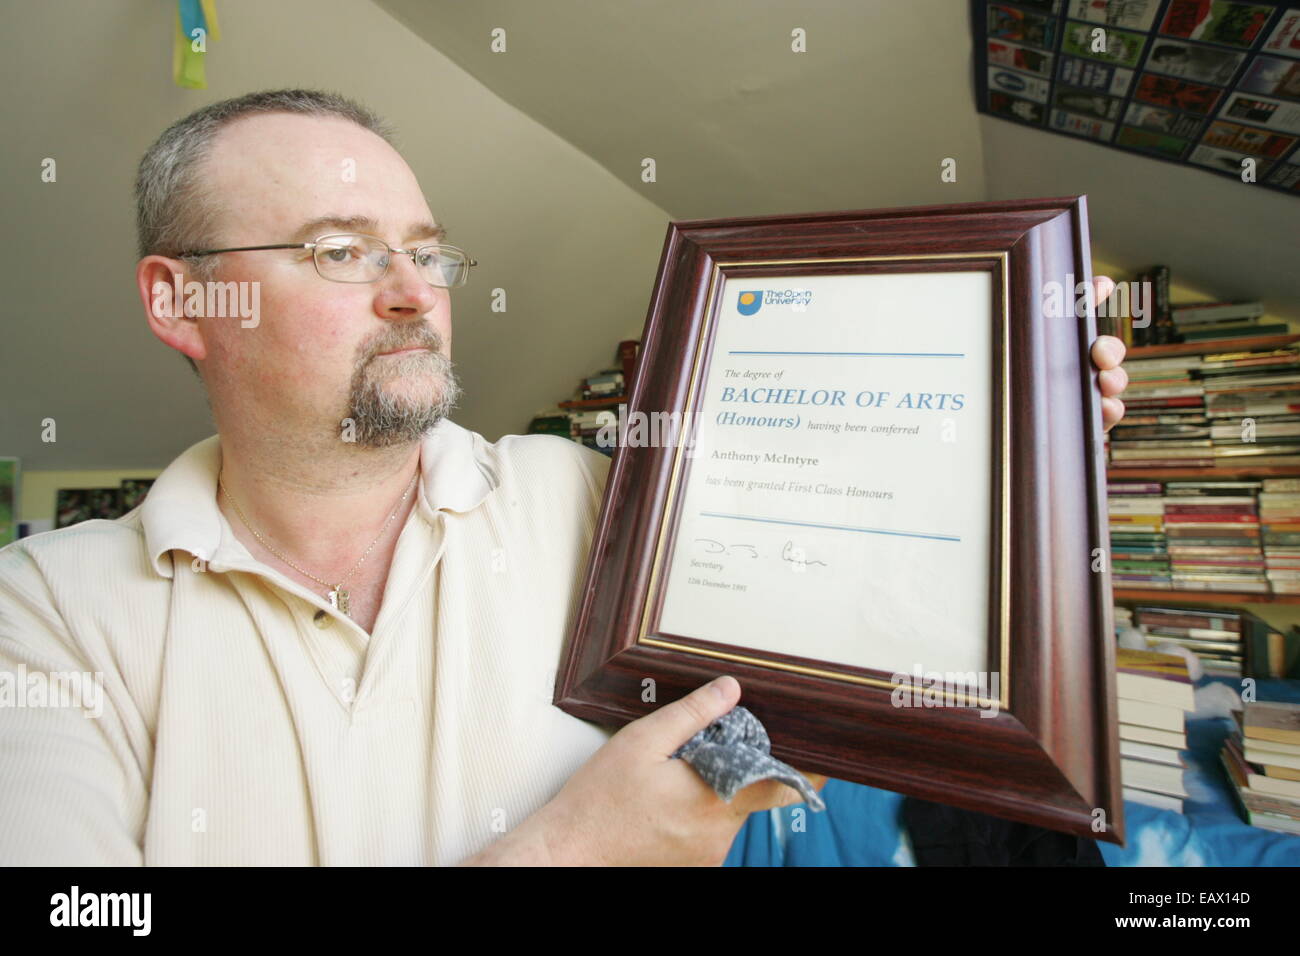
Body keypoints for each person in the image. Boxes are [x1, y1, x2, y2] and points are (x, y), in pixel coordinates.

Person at [0, 89, 1129, 866]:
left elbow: (862, 609)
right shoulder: (41, 615)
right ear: (183, 300)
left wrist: (1017, 449)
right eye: (341, 250)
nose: (413, 293)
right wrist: (567, 850)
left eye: (428, 250)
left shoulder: (594, 501)